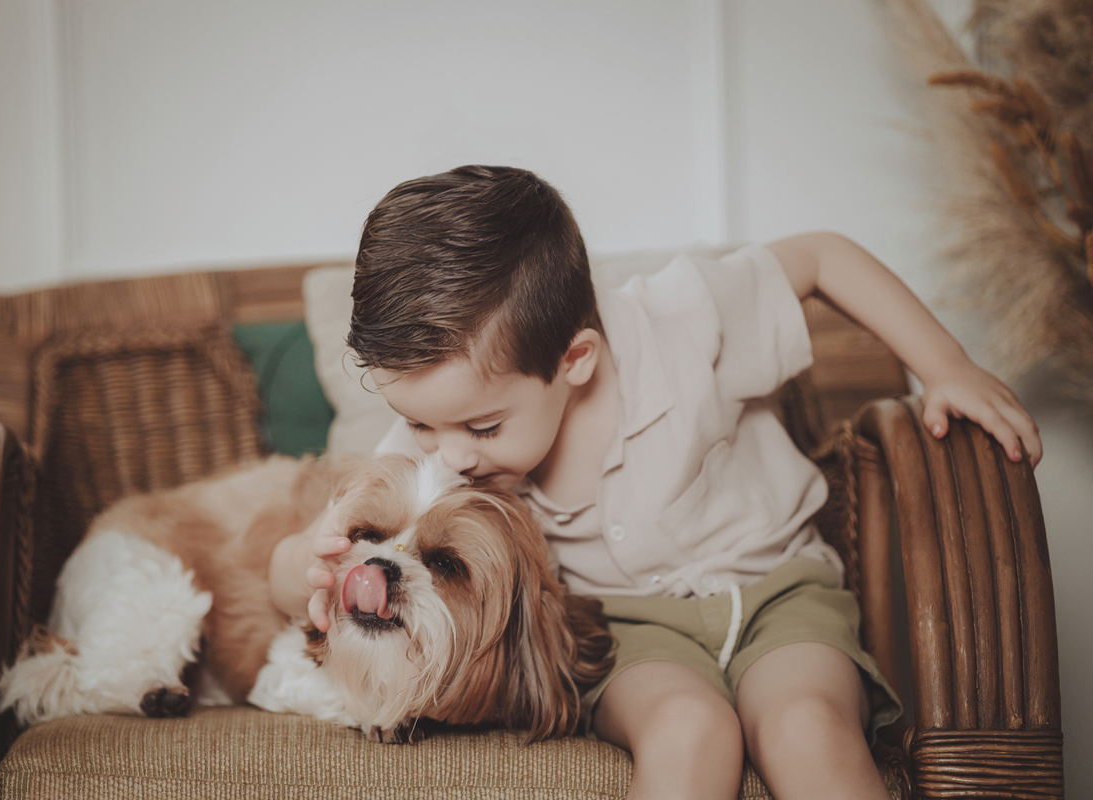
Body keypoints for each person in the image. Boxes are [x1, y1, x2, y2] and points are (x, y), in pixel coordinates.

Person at [268, 165, 1042, 799]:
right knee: (690, 730)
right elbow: (289, 578)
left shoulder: (683, 321)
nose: (451, 455)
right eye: (422, 424)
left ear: (576, 360)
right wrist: (309, 558)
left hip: (778, 593)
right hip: (629, 631)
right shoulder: (438, 439)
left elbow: (823, 256)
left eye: (482, 428)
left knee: (805, 727)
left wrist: (947, 367)